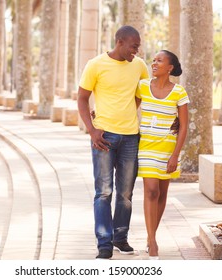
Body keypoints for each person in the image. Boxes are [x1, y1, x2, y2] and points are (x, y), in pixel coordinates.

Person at [77, 25, 149, 259]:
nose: (136, 52)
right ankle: (104, 243)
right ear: (120, 42)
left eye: (137, 47)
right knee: (104, 192)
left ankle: (120, 237)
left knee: (125, 193)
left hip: (130, 136)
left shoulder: (139, 66)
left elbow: (144, 95)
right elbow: (82, 98)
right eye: (133, 46)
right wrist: (92, 130)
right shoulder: (95, 65)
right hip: (104, 137)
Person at [136, 50, 189, 260]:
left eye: (159, 60)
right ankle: (152, 241)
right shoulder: (142, 87)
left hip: (167, 149)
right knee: (151, 191)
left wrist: (175, 155)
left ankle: (152, 235)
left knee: (162, 192)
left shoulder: (179, 92)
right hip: (146, 146)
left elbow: (184, 126)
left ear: (170, 68)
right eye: (154, 60)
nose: (154, 63)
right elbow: (129, 108)